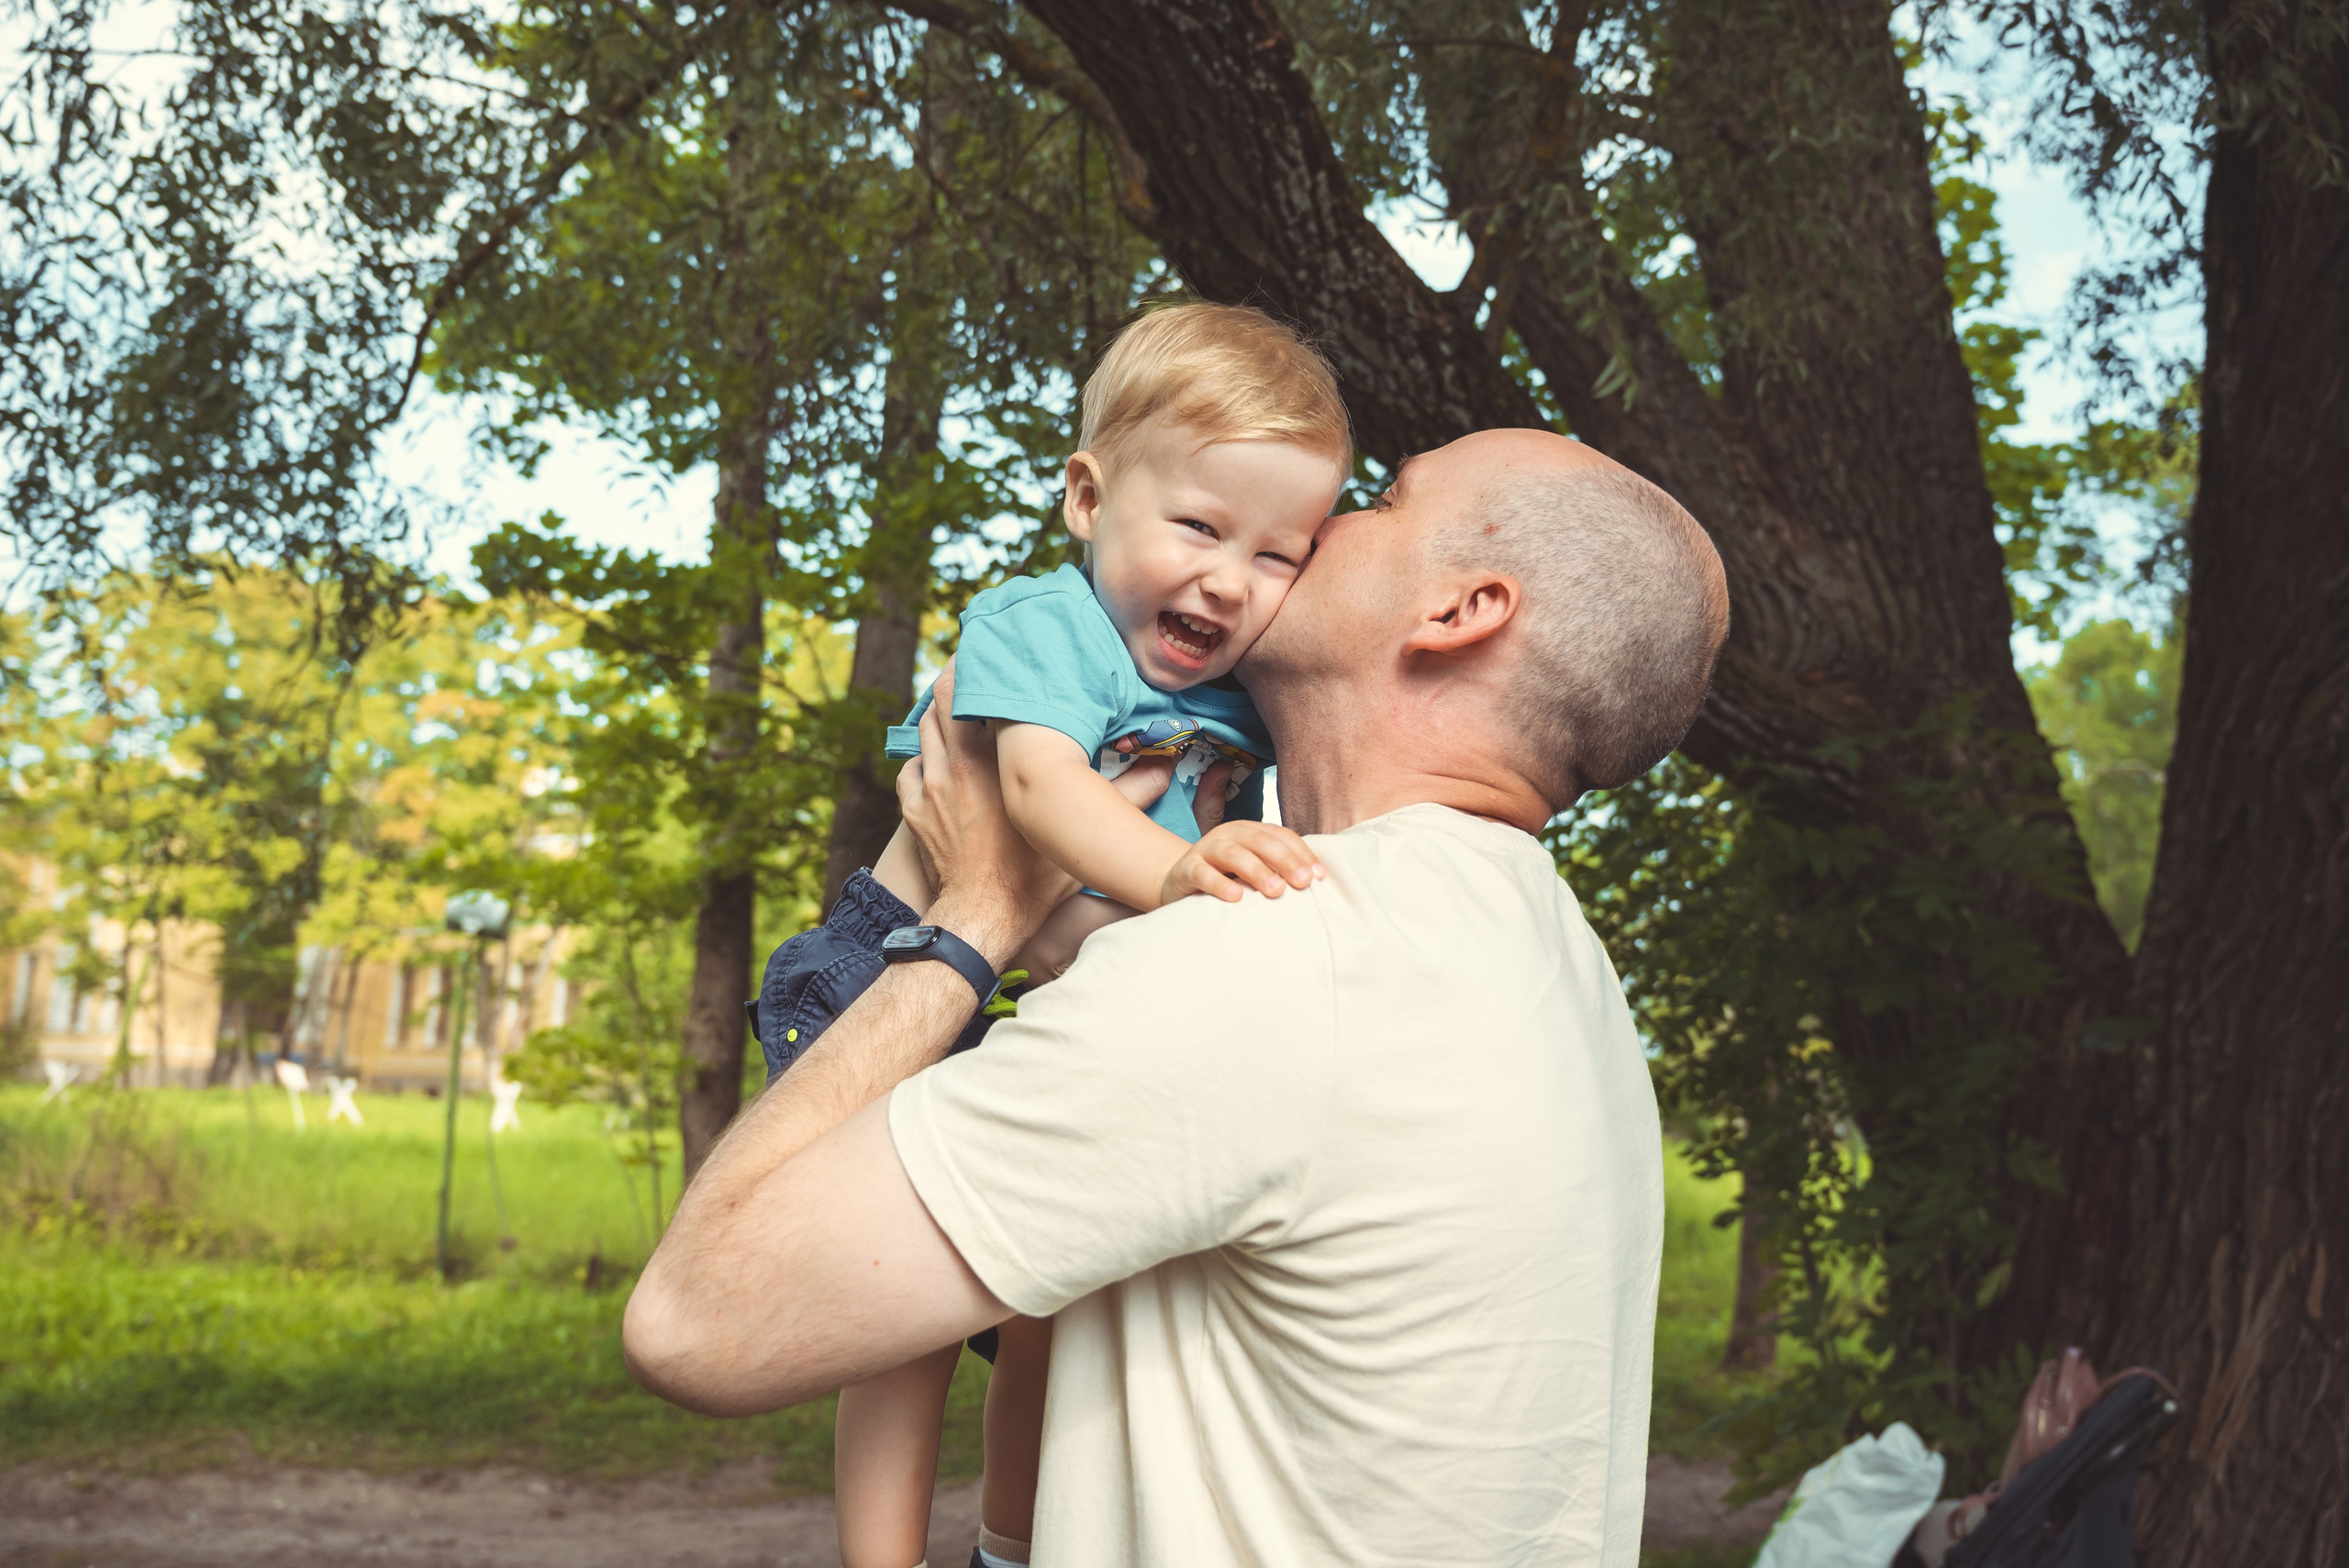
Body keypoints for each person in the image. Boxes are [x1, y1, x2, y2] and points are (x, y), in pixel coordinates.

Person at [627, 426, 1732, 1565]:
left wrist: (976, 913)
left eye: (1387, 500)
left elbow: (698, 1321)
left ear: (1459, 611)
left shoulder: (1289, 953)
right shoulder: (1556, 970)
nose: (1327, 523)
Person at [754, 302, 1350, 1568]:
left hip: (1038, 998)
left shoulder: (1232, 695)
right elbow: (1037, 791)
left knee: (1058, 1293)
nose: (1230, 580)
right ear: (1087, 497)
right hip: (895, 975)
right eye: (1197, 525)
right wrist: (1182, 867)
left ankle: (1012, 1547)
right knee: (897, 1318)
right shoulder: (1048, 624)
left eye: (1282, 554)